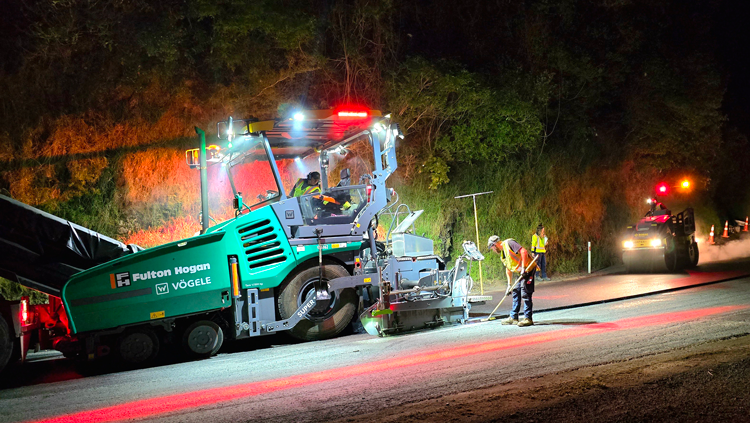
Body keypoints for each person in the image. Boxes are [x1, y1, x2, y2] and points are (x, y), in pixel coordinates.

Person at [487, 235, 537, 327]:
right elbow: (508, 269)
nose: (493, 251)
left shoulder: (509, 243)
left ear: (495, 245)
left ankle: (528, 318)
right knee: (516, 291)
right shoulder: (503, 254)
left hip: (528, 270)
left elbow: (524, 251)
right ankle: (514, 317)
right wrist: (509, 285)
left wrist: (524, 268)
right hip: (520, 273)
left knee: (525, 293)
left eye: (492, 248)